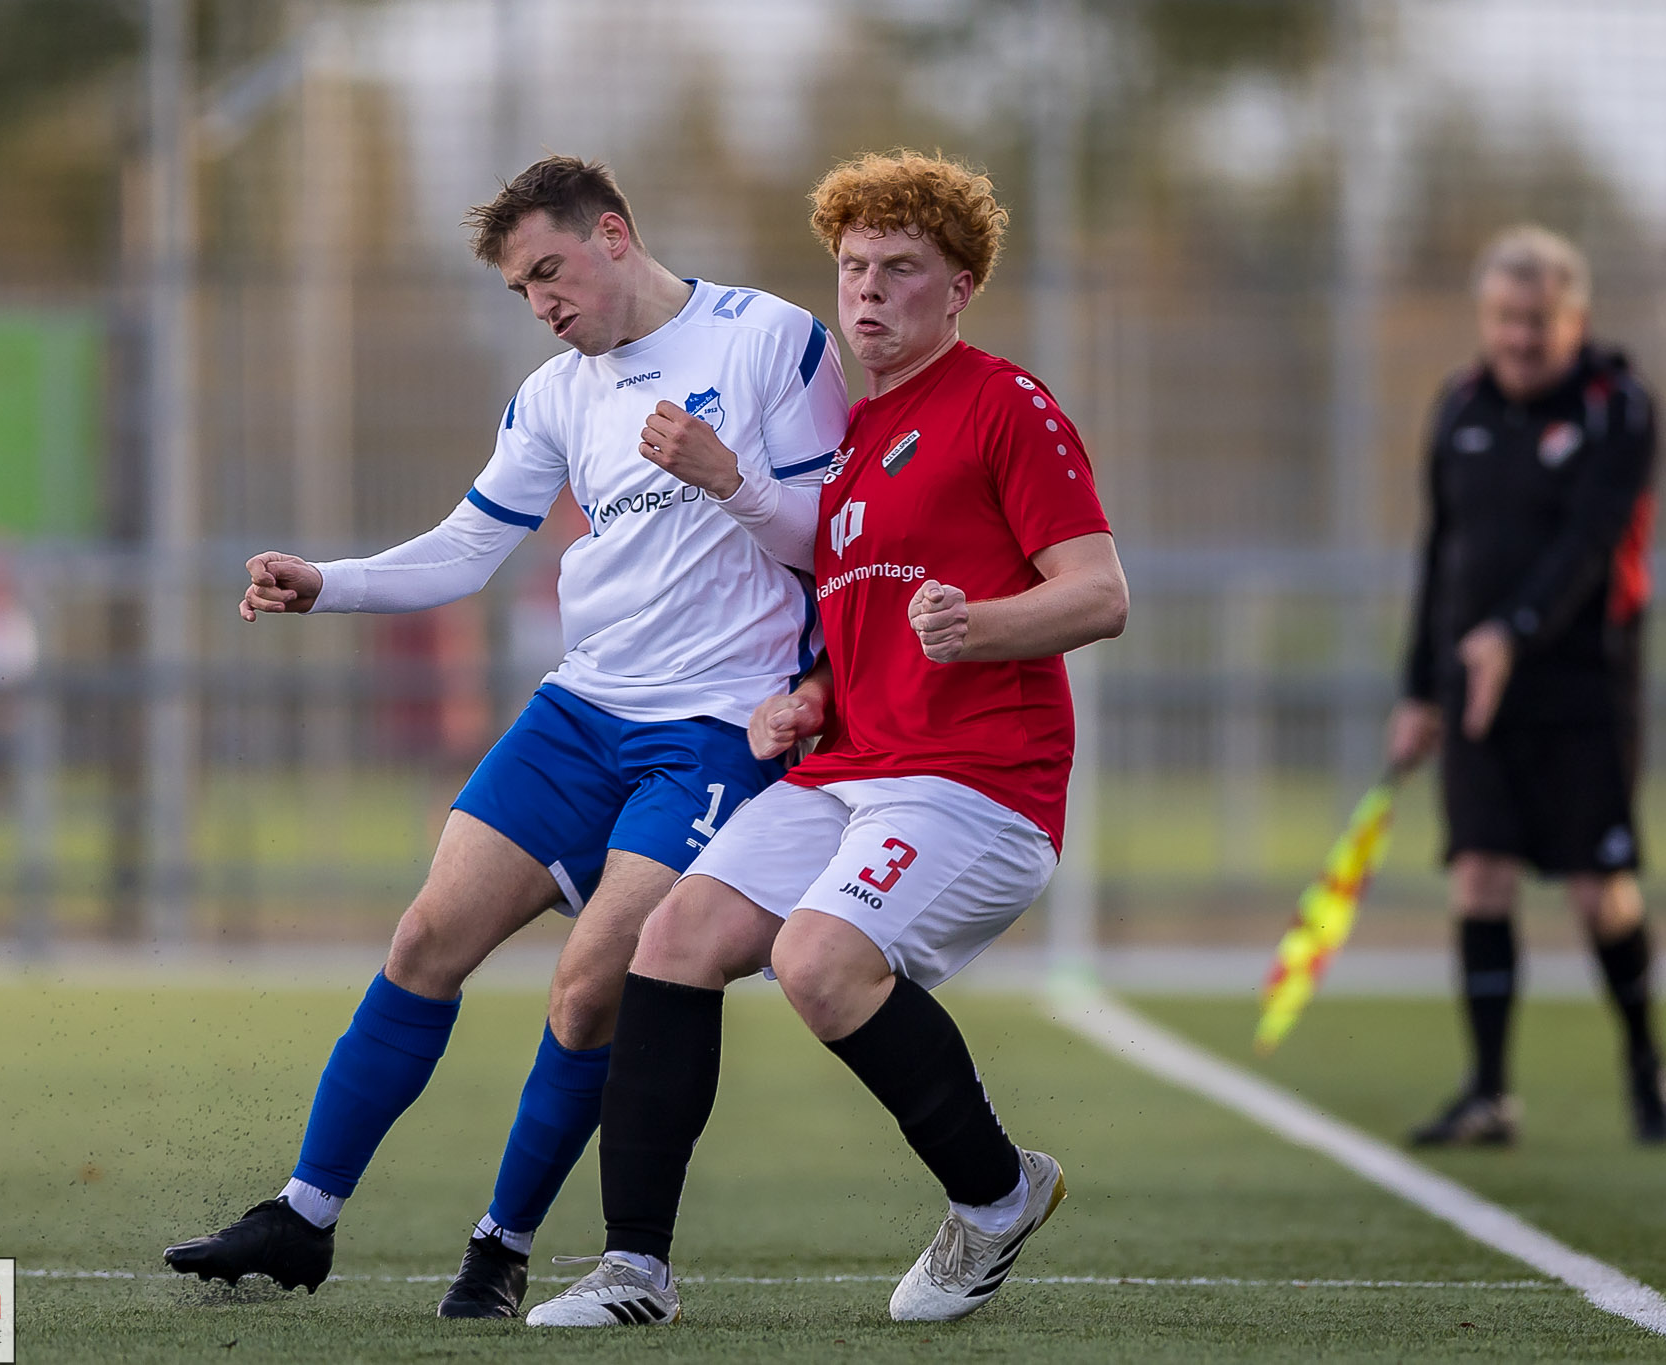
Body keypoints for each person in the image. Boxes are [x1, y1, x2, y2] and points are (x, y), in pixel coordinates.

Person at [162, 155, 849, 1315]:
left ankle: (498, 1247)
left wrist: (728, 480)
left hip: (715, 728)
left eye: (549, 271)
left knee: (589, 989)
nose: (541, 303)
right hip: (579, 711)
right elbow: (467, 547)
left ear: (613, 235)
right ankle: (303, 1216)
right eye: (521, 289)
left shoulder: (770, 341)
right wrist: (326, 582)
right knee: (425, 937)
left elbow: (836, 539)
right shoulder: (556, 395)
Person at [526, 150, 1128, 1329]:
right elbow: (857, 621)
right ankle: (633, 1272)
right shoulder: (852, 438)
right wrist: (809, 696)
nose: (866, 290)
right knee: (669, 939)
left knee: (815, 959)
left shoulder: (1004, 405)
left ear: (958, 289)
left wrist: (982, 624)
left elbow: (1099, 594)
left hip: (978, 784)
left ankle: (996, 1195)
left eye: (899, 268)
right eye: (852, 266)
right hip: (852, 771)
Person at [1386, 225, 1666, 1147]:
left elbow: (1592, 544)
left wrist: (1511, 635)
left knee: (1600, 890)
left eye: (1538, 320)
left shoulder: (1617, 406)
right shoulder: (1459, 404)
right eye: (1505, 318)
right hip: (1472, 683)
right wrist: (1419, 688)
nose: (1519, 337)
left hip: (1584, 686)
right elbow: (1441, 553)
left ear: (1574, 320)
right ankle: (1488, 1092)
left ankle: (1646, 1066)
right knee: (1478, 873)